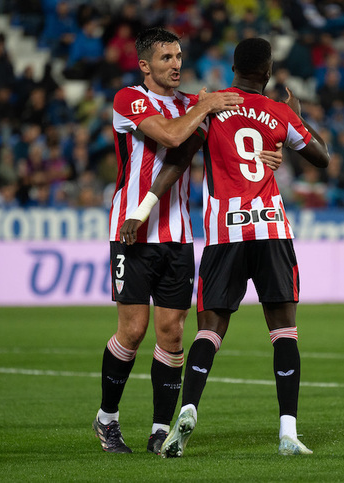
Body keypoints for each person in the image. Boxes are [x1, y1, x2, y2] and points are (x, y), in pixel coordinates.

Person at [120, 37, 330, 457]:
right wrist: (299, 117)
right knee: (283, 330)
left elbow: (177, 161)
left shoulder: (212, 108)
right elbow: (321, 158)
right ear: (268, 71)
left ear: (233, 68)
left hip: (225, 234)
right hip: (271, 230)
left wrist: (142, 209)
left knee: (210, 330)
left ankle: (190, 408)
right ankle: (288, 432)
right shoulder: (280, 111)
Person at [92, 27, 247, 455]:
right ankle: (107, 419)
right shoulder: (129, 99)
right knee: (133, 329)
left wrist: (273, 152)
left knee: (173, 333)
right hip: (132, 231)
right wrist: (208, 105)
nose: (176, 64)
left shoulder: (189, 106)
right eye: (165, 58)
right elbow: (172, 136)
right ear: (145, 65)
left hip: (178, 234)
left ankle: (160, 429)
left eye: (178, 56)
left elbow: (224, 148)